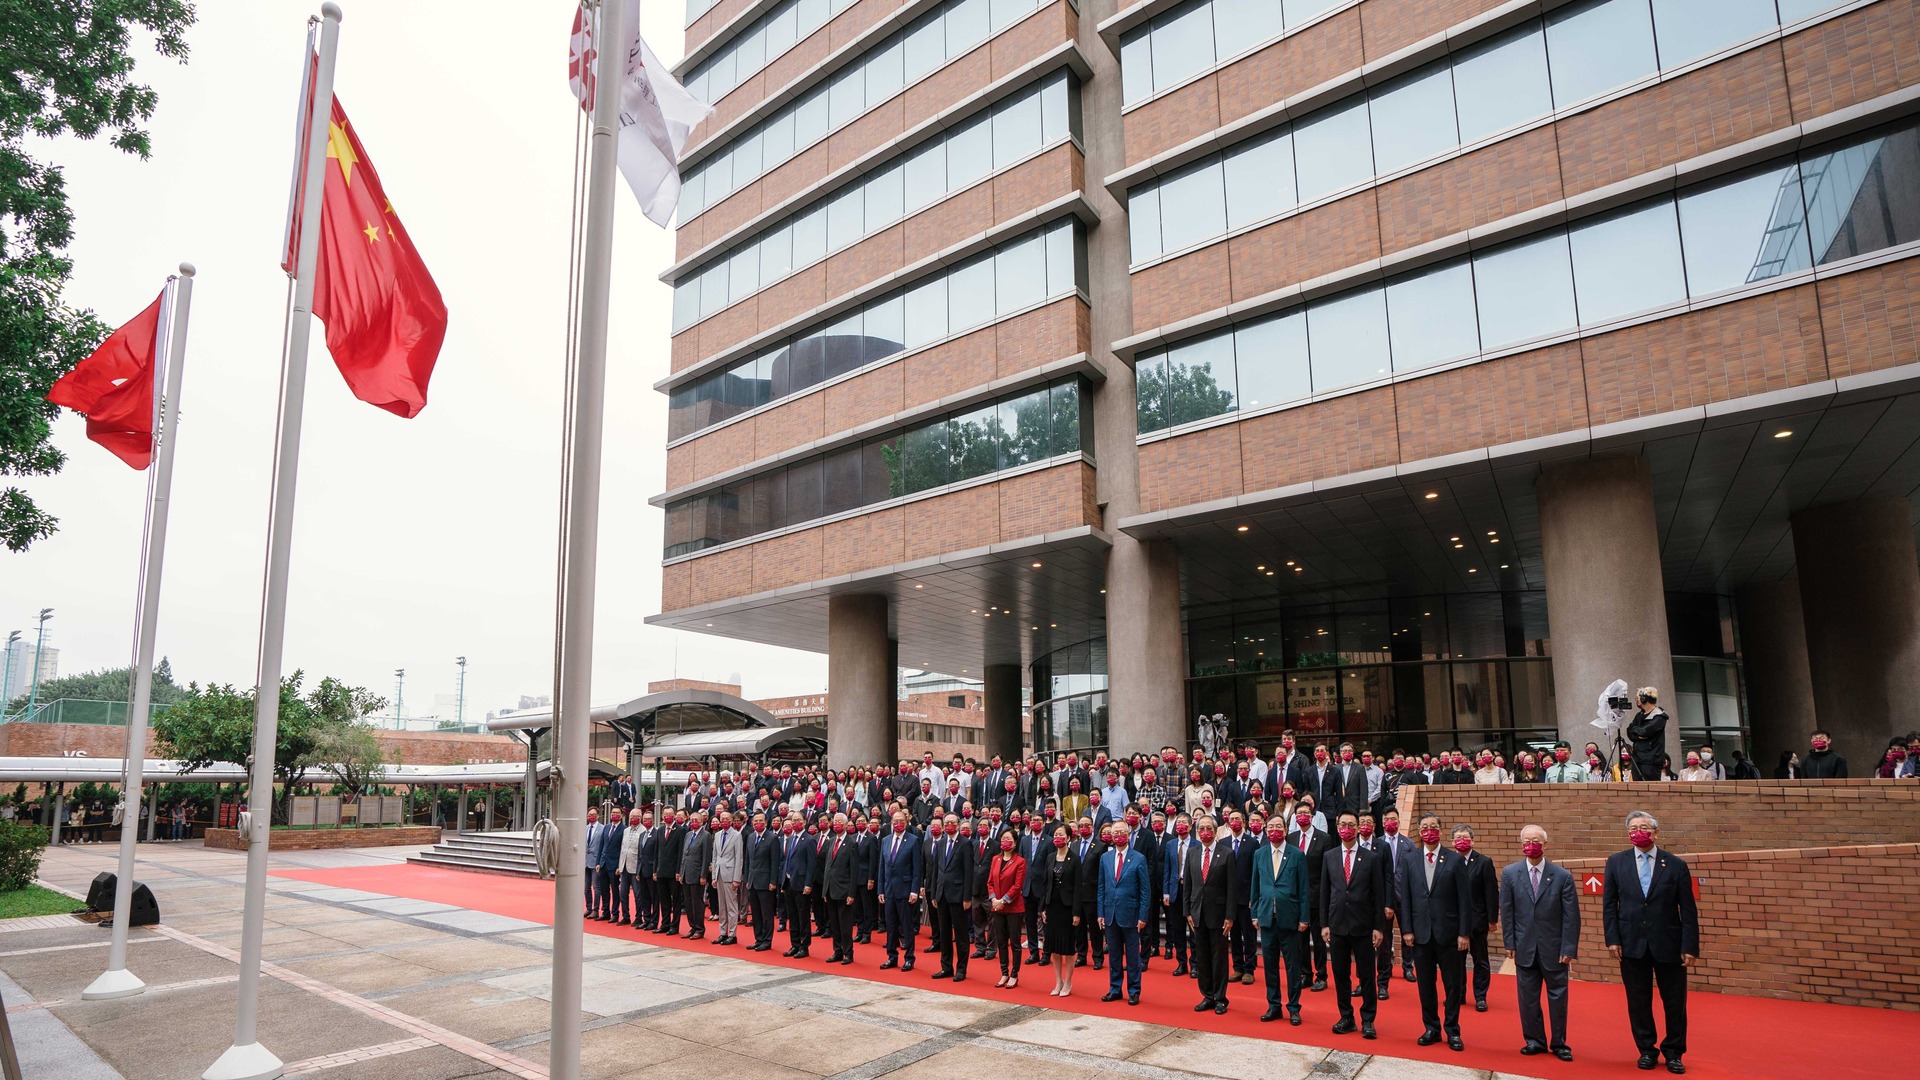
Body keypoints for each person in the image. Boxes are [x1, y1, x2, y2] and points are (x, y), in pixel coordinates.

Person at [1603, 811, 1699, 1075]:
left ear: (1656, 832)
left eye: (1644, 827)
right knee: (1638, 1000)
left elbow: (1688, 910)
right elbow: (1609, 904)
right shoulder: (1616, 862)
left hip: (1669, 943)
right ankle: (1646, 1049)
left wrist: (1689, 946)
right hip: (1631, 943)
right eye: (1633, 828)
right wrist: (1612, 938)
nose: (1638, 832)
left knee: (1674, 1001)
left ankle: (1674, 1051)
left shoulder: (1676, 865)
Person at [1502, 825, 1579, 1062]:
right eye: (1526, 841)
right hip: (1524, 947)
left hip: (1554, 949)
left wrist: (1568, 948)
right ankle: (1534, 1040)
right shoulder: (1510, 873)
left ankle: (1559, 1043)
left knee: (1558, 997)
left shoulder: (1562, 876)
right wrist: (1510, 943)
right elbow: (1507, 911)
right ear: (1521, 844)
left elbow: (1571, 916)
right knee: (1528, 998)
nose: (1531, 845)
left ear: (1545, 845)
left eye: (1536, 841)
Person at [1399, 814, 1469, 1051]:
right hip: (1420, 935)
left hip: (1449, 934)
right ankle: (1431, 1027)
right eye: (1425, 827)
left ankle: (1453, 1030)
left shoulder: (1455, 860)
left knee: (1452, 985)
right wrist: (1406, 929)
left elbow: (1464, 900)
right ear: (1419, 832)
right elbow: (1406, 899)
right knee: (1426, 985)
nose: (1429, 831)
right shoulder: (1410, 860)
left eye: (1434, 827)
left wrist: (1464, 933)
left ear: (1441, 830)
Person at [1320, 811, 1386, 1040]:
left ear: (1358, 828)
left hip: (1363, 925)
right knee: (1340, 974)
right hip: (1337, 925)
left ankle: (1368, 1019)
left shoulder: (1371, 858)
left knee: (1367, 975)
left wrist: (1379, 927)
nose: (1347, 828)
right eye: (1343, 824)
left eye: (1351, 825)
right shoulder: (1329, 856)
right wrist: (1324, 924)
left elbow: (1378, 895)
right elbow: (1325, 893)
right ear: (1337, 828)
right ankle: (1346, 1016)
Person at [1251, 817, 1312, 1025]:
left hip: (1290, 919)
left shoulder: (1297, 855)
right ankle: (1273, 1005)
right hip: (1267, 918)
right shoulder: (1259, 854)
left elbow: (1304, 889)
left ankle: (1294, 1007)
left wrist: (1304, 917)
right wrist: (1255, 913)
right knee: (1269, 965)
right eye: (1271, 827)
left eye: (1278, 826)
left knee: (1292, 966)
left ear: (1285, 830)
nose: (1274, 830)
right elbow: (1255, 885)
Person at [1185, 817, 1237, 1014]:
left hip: (1219, 914)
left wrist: (1230, 916)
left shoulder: (1227, 854)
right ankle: (1207, 995)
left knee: (1219, 957)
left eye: (1208, 828)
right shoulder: (1192, 853)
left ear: (1215, 831)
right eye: (1201, 828)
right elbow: (1188, 885)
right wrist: (1187, 911)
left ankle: (1220, 997)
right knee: (1202, 956)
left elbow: (1232, 887)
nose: (1205, 831)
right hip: (1198, 913)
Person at [1097, 822, 1150, 1005]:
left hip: (1131, 914)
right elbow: (1102, 886)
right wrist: (1100, 912)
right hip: (1110, 913)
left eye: (1122, 832)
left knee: (1133, 956)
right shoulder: (1105, 857)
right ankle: (1115, 988)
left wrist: (1143, 916)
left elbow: (1145, 890)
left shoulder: (1138, 858)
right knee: (1114, 954)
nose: (1119, 835)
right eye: (1115, 832)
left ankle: (1134, 990)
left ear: (1128, 835)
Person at [1453, 825, 1498, 1012]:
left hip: (1478, 920)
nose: (1461, 840)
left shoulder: (1484, 862)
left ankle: (1480, 996)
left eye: (1465, 837)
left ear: (1472, 840)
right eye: (1457, 837)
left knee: (1480, 960)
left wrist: (1492, 919)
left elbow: (1491, 892)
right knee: (1456, 962)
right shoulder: (1448, 861)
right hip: (1454, 922)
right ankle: (1458, 995)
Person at [926, 812, 974, 982]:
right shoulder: (940, 843)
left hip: (958, 895)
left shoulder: (965, 844)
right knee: (944, 932)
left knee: (960, 934)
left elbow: (969, 873)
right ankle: (946, 967)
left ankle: (961, 969)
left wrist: (967, 897)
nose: (948, 826)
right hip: (941, 894)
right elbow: (936, 870)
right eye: (946, 823)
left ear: (959, 825)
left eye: (952, 823)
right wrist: (933, 892)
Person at [877, 809, 923, 970]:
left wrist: (914, 891)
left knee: (906, 926)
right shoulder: (886, 840)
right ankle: (892, 956)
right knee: (890, 925)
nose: (898, 824)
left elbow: (917, 869)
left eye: (901, 821)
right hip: (889, 890)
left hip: (905, 890)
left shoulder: (913, 840)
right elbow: (882, 867)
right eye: (895, 821)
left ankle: (909, 957)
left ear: (907, 821)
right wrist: (880, 890)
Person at [1041, 822, 1083, 997]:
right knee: (1054, 947)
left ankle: (1068, 981)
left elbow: (1078, 887)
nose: (1058, 837)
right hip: (1052, 907)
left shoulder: (1074, 858)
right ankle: (1058, 981)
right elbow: (1045, 883)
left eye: (1061, 835)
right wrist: (1043, 907)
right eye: (1056, 834)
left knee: (1067, 948)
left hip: (1067, 909)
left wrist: (1076, 912)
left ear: (1068, 837)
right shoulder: (1050, 857)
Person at [986, 830, 1026, 988]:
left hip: (1013, 908)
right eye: (1003, 839)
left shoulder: (1020, 861)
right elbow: (990, 882)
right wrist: (994, 899)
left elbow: (1017, 886)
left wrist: (1004, 900)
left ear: (1015, 843)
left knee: (1015, 943)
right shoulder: (995, 859)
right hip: (997, 907)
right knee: (1001, 942)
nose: (1005, 841)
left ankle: (1014, 974)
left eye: (1009, 839)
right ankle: (1004, 972)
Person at [779, 817, 818, 959]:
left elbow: (812, 864)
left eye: (797, 820)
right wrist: (784, 882)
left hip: (802, 884)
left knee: (803, 916)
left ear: (803, 822)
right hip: (789, 883)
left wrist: (808, 884)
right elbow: (786, 862)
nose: (795, 822)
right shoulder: (790, 840)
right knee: (792, 916)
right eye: (793, 820)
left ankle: (804, 946)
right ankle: (794, 944)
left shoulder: (809, 840)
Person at [1161, 813, 1193, 976]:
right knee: (1178, 929)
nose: (1180, 825)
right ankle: (1182, 962)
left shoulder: (1196, 844)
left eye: (1184, 823)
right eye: (1178, 822)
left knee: (1194, 929)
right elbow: (1167, 868)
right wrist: (1165, 891)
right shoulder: (1171, 844)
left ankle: (1195, 964)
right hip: (1174, 890)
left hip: (1191, 891)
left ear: (1190, 826)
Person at [744, 812, 779, 950]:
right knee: (756, 913)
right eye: (755, 821)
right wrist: (747, 878)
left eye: (760, 820)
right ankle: (758, 938)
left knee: (766, 913)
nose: (757, 823)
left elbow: (775, 862)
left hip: (766, 882)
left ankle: (767, 940)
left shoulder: (772, 838)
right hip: (752, 881)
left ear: (765, 822)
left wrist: (773, 881)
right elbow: (747, 860)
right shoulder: (751, 837)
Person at [711, 810, 744, 945]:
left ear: (731, 821)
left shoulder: (737, 836)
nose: (723, 820)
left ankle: (732, 934)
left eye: (726, 818)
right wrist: (713, 875)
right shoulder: (718, 835)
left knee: (731, 906)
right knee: (722, 906)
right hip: (719, 873)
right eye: (721, 818)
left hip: (730, 875)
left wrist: (737, 878)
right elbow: (715, 856)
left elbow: (739, 858)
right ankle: (722, 932)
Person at [678, 810, 712, 941]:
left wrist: (703, 875)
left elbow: (706, 857)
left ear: (702, 821)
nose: (694, 822)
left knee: (697, 902)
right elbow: (684, 855)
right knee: (688, 903)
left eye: (696, 820)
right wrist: (681, 872)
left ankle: (699, 928)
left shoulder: (706, 835)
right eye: (691, 820)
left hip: (697, 874)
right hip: (686, 873)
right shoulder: (688, 835)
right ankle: (692, 926)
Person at [1626, 688, 1670, 781]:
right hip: (1637, 759)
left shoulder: (1659, 717)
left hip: (1651, 761)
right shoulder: (1639, 715)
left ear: (1644, 699)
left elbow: (1644, 731)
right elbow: (1630, 732)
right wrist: (1638, 735)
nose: (1637, 700)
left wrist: (1637, 732)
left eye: (1638, 698)